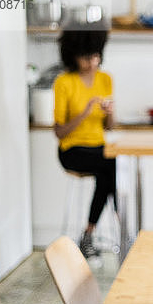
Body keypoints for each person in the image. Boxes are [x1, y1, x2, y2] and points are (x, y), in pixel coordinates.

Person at [53, 24, 116, 259]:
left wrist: (109, 112)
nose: (92, 61)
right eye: (86, 56)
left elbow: (109, 127)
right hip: (72, 150)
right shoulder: (64, 82)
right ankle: (124, 232)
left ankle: (89, 233)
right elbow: (59, 132)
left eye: (96, 56)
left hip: (99, 148)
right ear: (73, 56)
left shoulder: (105, 79)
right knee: (112, 168)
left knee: (111, 169)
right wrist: (86, 111)